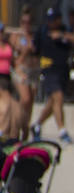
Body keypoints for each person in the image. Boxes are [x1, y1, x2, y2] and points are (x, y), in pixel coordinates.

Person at [31, 7, 74, 144]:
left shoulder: (65, 30)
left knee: (53, 102)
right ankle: (62, 130)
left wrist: (62, 36)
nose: (50, 23)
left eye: (53, 20)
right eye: (49, 20)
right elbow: (34, 51)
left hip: (63, 70)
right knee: (58, 96)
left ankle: (37, 125)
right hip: (49, 70)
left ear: (59, 20)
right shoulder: (42, 32)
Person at [9, 7, 39, 142]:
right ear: (20, 23)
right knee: (25, 99)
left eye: (29, 22)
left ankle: (25, 130)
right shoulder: (16, 37)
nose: (27, 25)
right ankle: (17, 127)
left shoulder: (34, 36)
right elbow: (14, 58)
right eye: (24, 22)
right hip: (21, 70)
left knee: (30, 102)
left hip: (34, 71)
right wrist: (26, 50)